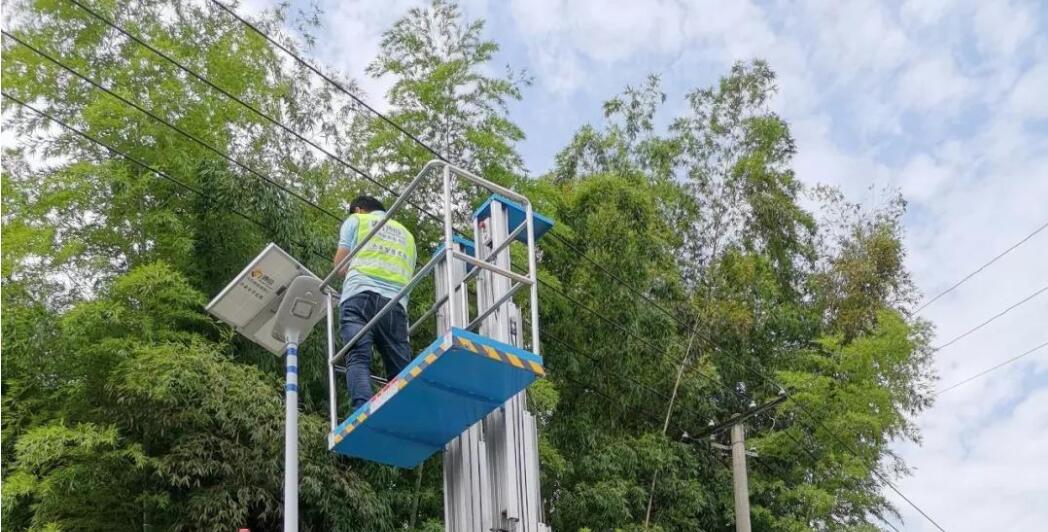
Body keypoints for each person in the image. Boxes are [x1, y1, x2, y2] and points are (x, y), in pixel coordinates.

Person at [334, 195, 417, 410]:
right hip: (395, 303)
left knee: (358, 357)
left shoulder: (356, 221)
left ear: (359, 210)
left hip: (358, 295)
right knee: (400, 368)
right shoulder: (407, 236)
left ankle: (362, 408)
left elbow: (340, 266)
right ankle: (405, 413)